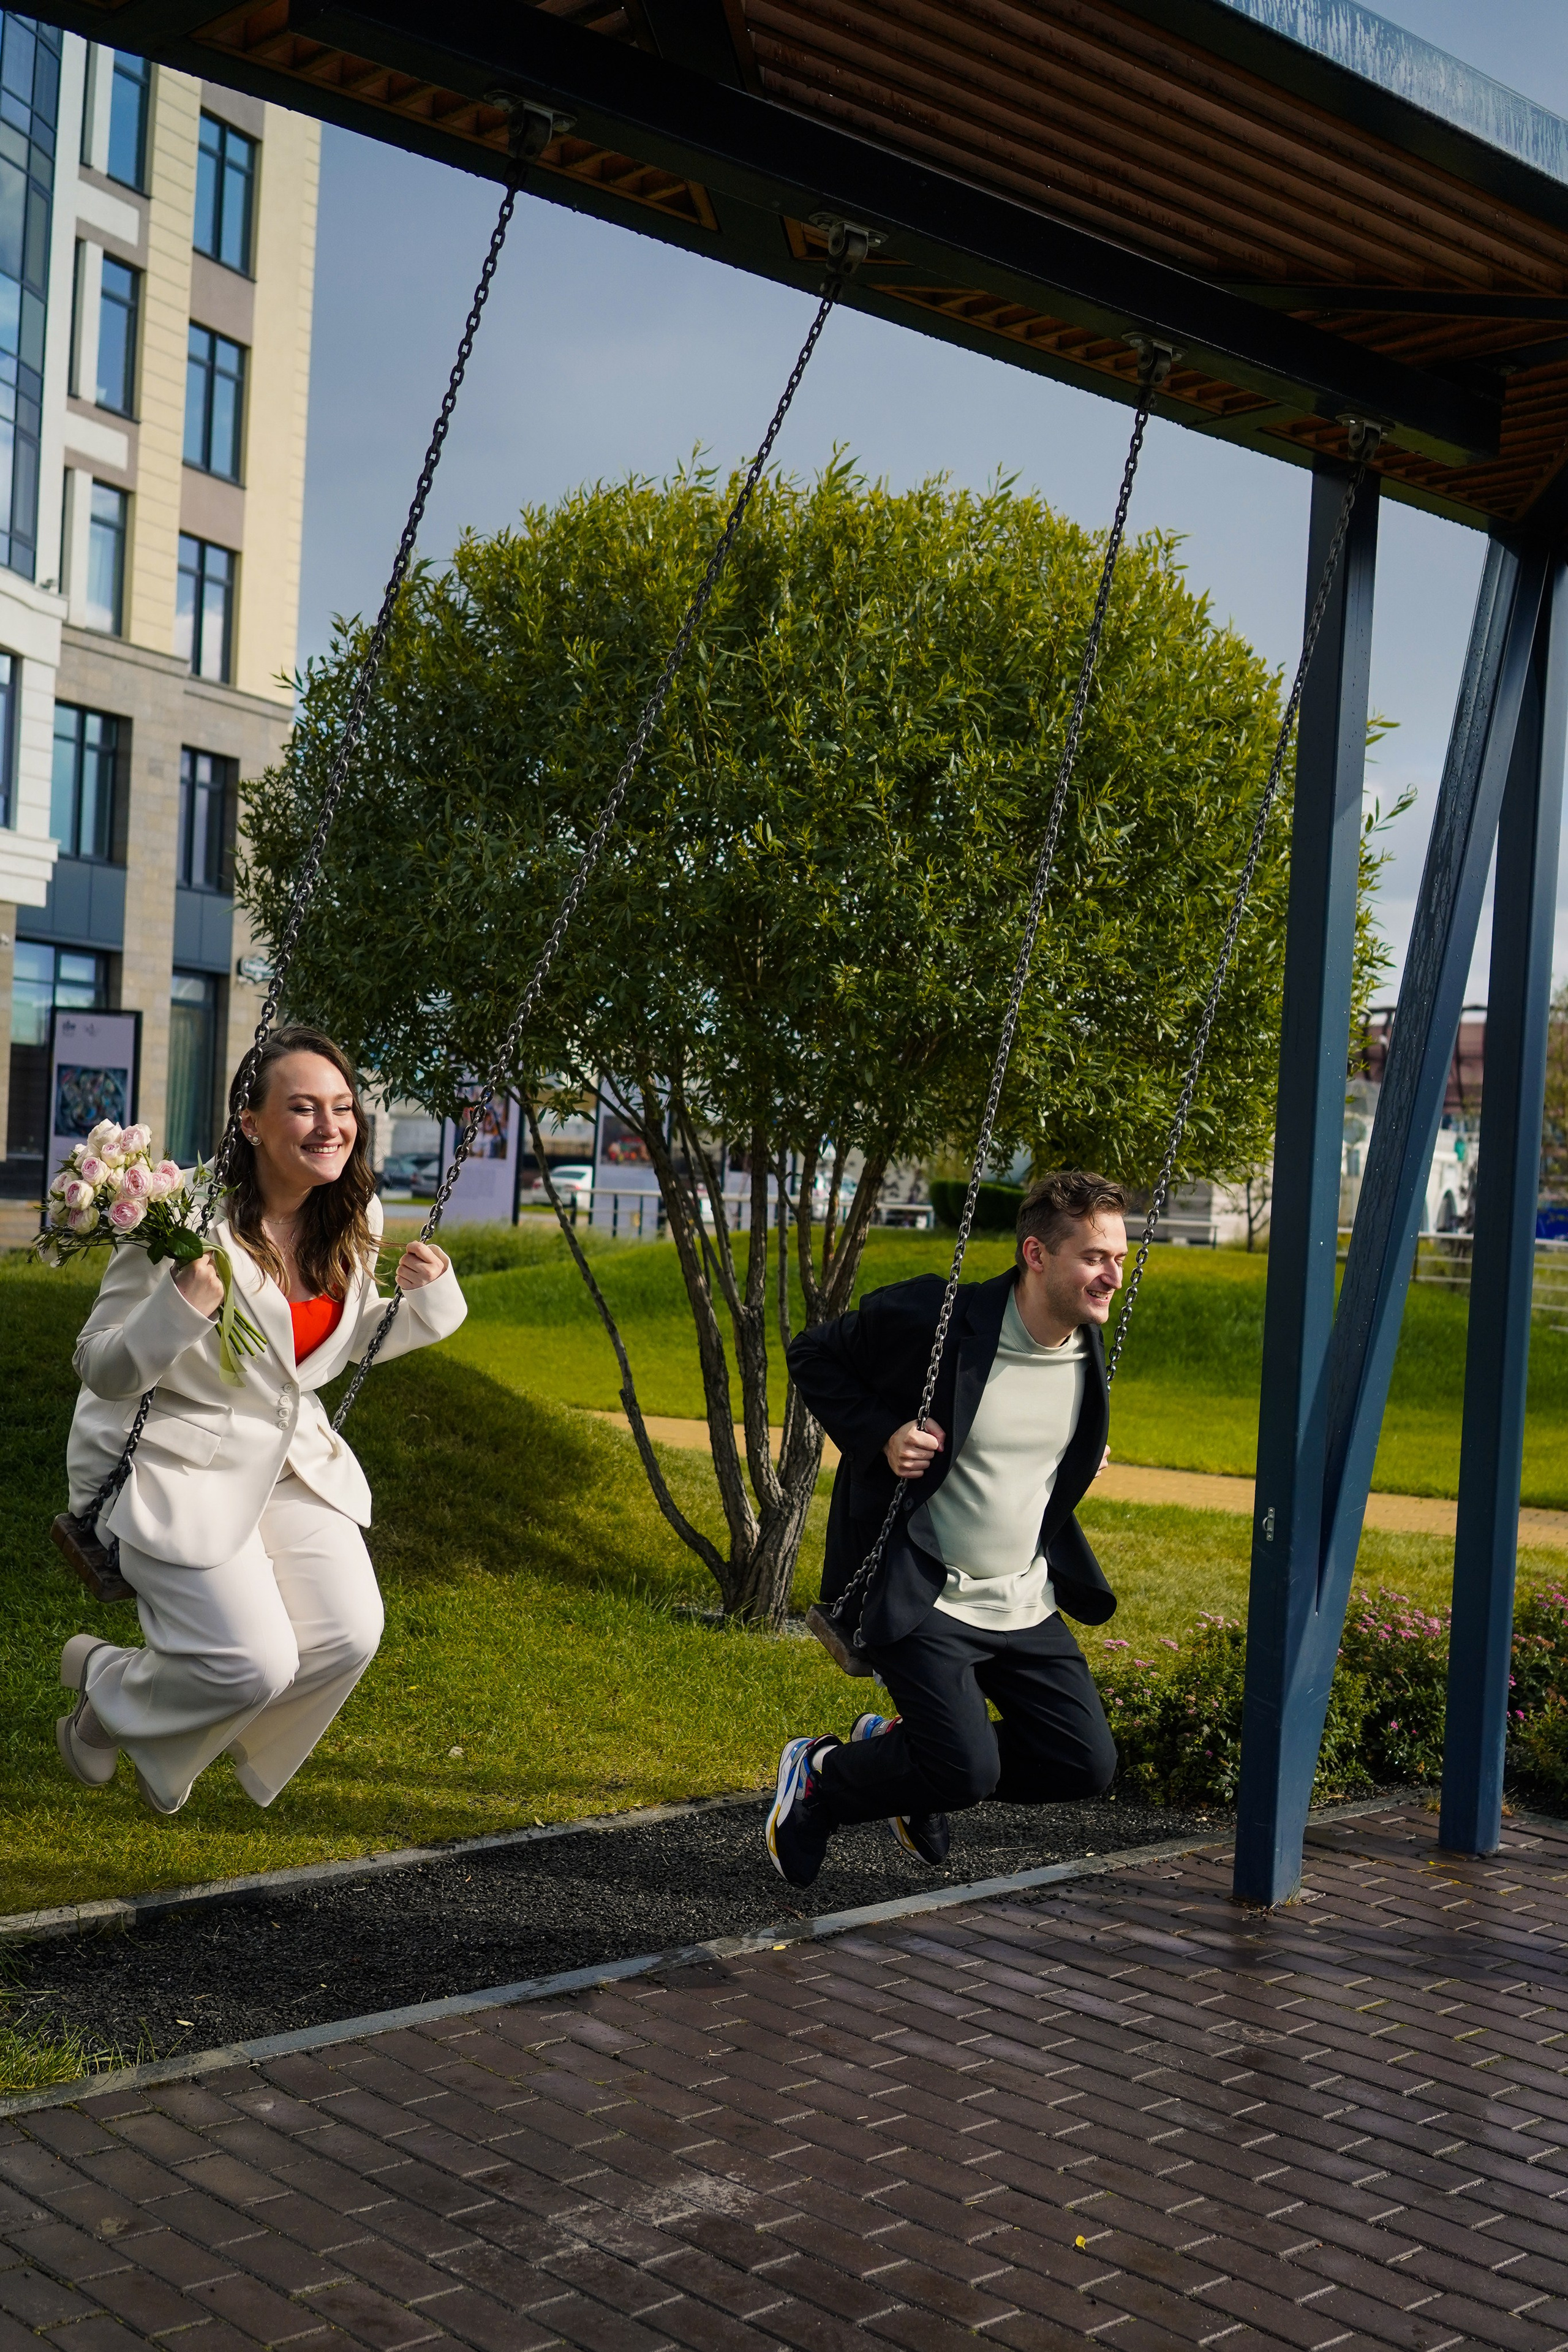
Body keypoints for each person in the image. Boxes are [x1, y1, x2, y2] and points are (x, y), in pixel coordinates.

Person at [55, 1026, 467, 1816]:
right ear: (251, 1122)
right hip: (177, 1465)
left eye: (343, 1108)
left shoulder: (354, 1214)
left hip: (288, 1459)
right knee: (250, 1663)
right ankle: (108, 1692)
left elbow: (330, 1348)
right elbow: (100, 1365)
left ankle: (142, 1715)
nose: (330, 1127)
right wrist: (180, 1309)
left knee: (347, 1634)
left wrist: (431, 1300)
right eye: (304, 1108)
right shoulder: (179, 1219)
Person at [771, 1169, 1125, 1887]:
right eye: (1094, 1257)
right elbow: (813, 1352)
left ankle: (907, 1758)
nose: (1112, 1275)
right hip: (925, 1589)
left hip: (1021, 1595)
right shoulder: (939, 1318)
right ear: (1035, 1255)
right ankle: (820, 1779)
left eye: (1119, 1258)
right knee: (964, 1770)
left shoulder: (1085, 1347)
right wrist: (882, 1435)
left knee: (1081, 1763)